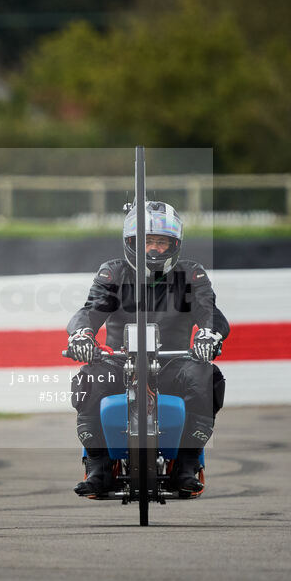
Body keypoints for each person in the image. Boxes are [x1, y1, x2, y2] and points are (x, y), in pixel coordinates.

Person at [66, 201, 230, 497]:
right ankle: (98, 466)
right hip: (119, 362)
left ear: (174, 244)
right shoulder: (112, 273)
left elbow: (210, 313)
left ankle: (187, 464)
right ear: (131, 242)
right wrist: (82, 335)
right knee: (89, 378)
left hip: (174, 363)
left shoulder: (192, 274)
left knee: (206, 376)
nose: (154, 249)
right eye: (147, 241)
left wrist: (209, 335)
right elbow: (90, 310)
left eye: (161, 242)